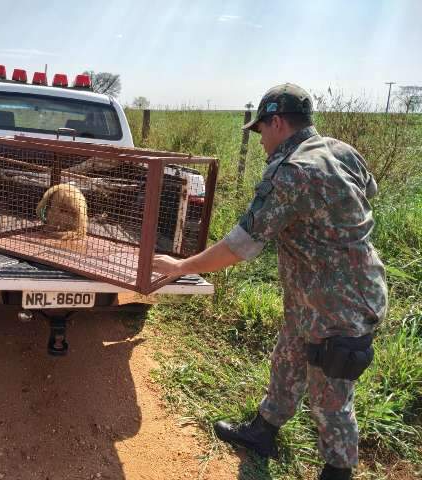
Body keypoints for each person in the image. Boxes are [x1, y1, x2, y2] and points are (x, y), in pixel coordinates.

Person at [153, 83, 387, 480]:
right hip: (312, 294)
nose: (261, 140)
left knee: (331, 398)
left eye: (260, 130)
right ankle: (264, 431)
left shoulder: (294, 171)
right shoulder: (340, 150)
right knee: (288, 359)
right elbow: (369, 193)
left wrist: (180, 266)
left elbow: (240, 245)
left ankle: (338, 470)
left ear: (276, 122)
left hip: (339, 305)